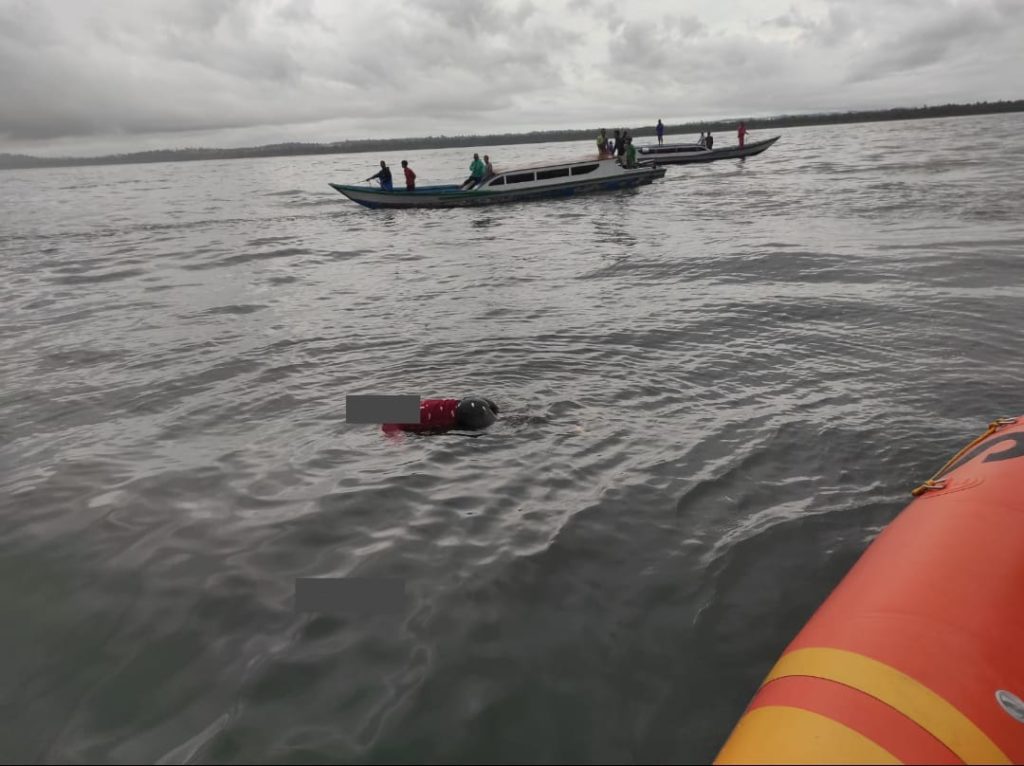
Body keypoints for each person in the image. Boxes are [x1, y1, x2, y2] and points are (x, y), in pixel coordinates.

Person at [381, 397, 499, 435]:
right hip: (470, 401)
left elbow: (398, 445)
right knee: (503, 417)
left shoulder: (388, 425)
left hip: (466, 414)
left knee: (500, 424)